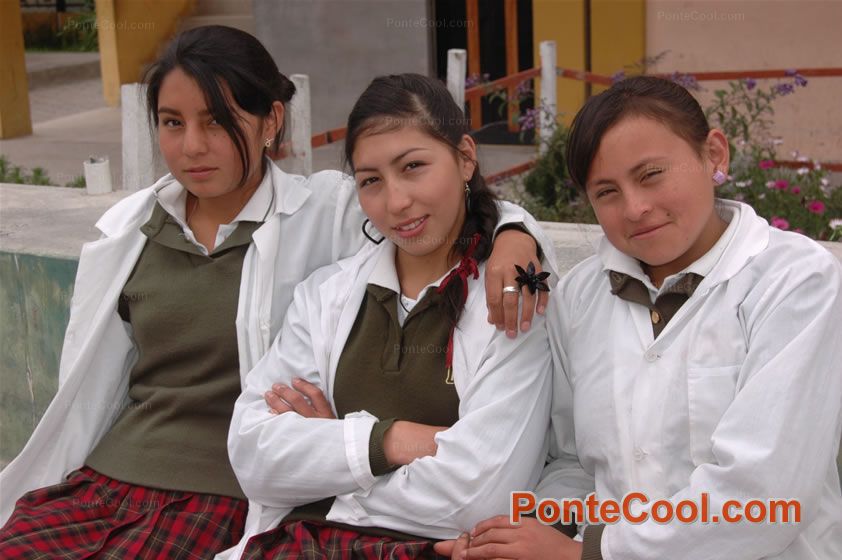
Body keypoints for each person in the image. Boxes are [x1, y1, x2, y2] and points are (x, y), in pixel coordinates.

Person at [0, 27, 552, 559]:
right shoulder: (130, 228)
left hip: (228, 500)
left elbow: (450, 201)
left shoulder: (327, 209)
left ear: (272, 121)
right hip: (114, 477)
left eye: (217, 121)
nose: (192, 146)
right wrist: (378, 443)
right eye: (172, 122)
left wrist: (514, 236)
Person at [437, 76, 842, 560]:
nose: (635, 208)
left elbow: (764, 496)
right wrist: (524, 533)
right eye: (607, 192)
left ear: (714, 155)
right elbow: (573, 461)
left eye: (651, 174)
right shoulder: (580, 296)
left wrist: (589, 552)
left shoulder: (794, 281)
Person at [226, 73, 555, 560]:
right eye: (371, 181)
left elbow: (478, 493)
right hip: (300, 545)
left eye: (413, 166)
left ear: (465, 157)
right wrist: (389, 441)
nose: (396, 202)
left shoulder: (511, 295)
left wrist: (331, 456)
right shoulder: (327, 295)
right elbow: (253, 454)